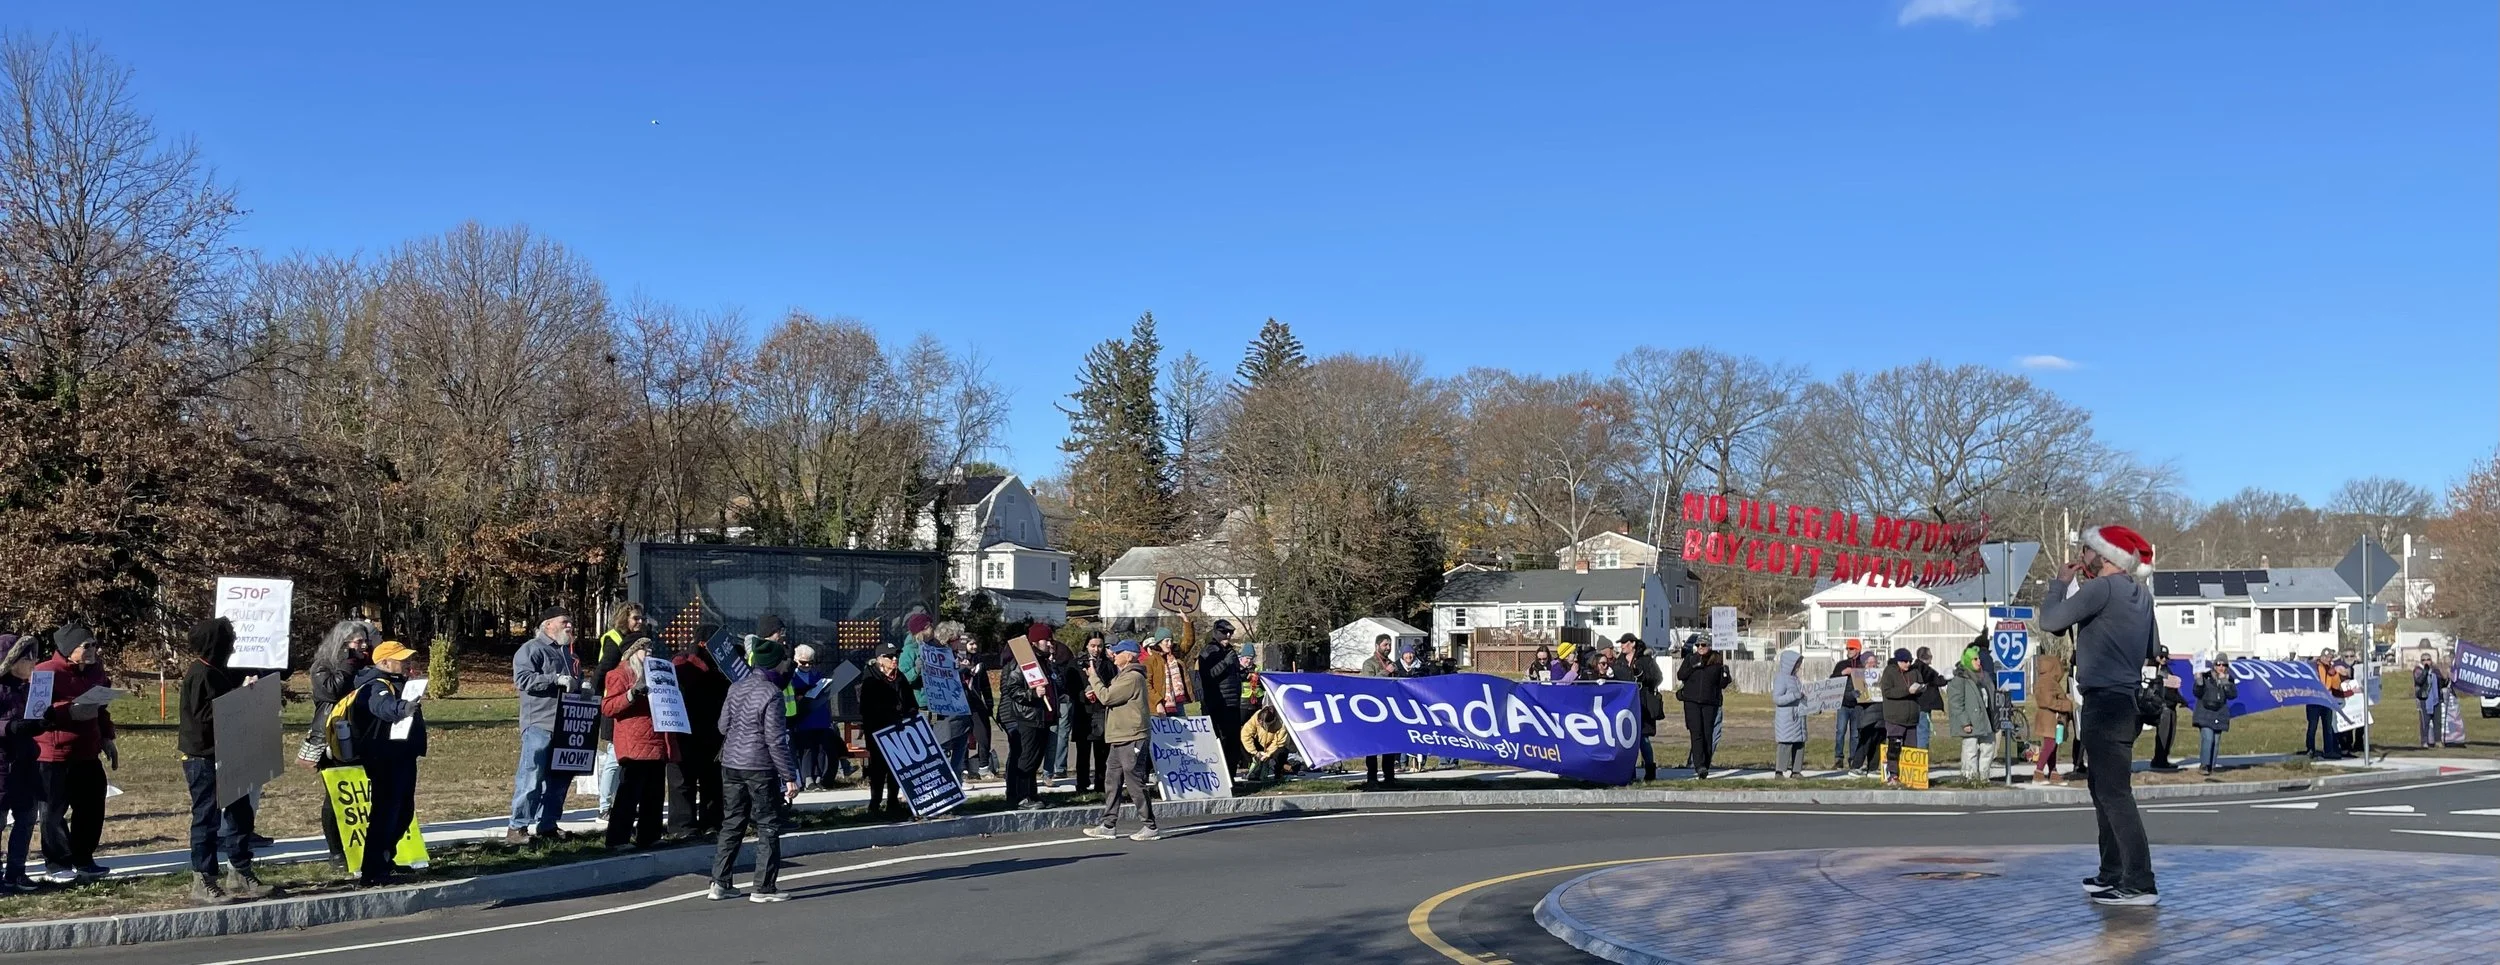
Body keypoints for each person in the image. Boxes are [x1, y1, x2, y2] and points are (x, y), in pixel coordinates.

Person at [2040, 523, 2162, 906]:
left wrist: (2059, 585)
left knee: (2114, 794)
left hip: (2103, 701)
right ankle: (2112, 872)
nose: (2082, 556)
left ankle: (2139, 882)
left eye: (2087, 550)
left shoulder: (2101, 589)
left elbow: (2050, 622)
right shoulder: (2142, 595)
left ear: (2104, 556)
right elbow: (2152, 647)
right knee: (2103, 788)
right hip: (2127, 700)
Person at [177, 618, 271, 904]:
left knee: (241, 814)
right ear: (214, 644)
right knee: (207, 818)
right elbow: (205, 717)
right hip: (204, 756)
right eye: (228, 641)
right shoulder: (200, 674)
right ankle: (204, 878)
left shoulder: (219, 671)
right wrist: (241, 696)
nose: (232, 646)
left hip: (231, 752)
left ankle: (240, 870)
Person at [711, 636, 797, 903]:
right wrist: (789, 776)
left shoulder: (735, 687)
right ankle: (763, 887)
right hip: (759, 765)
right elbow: (775, 740)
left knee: (732, 821)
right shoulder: (772, 694)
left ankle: (720, 882)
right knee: (768, 824)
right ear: (775, 664)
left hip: (731, 762)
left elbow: (722, 727)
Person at [36, 622, 115, 882]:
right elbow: (37, 712)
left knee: (92, 807)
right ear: (69, 649)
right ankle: (57, 863)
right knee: (53, 812)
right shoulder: (45, 672)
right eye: (86, 646)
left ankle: (84, 859)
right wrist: (68, 711)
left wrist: (107, 737)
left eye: (94, 645)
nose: (93, 650)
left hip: (87, 752)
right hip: (54, 754)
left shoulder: (96, 671)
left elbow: (101, 708)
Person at [348, 641, 427, 887]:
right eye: (401, 659)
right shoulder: (375, 685)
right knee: (386, 813)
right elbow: (383, 708)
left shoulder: (395, 682)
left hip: (401, 755)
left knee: (403, 811)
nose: (406, 663)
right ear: (384, 662)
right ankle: (373, 869)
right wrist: (404, 707)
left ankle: (385, 859)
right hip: (385, 757)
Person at [509, 608, 585, 845]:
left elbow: (576, 682)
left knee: (559, 780)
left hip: (566, 726)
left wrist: (583, 687)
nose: (570, 626)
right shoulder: (531, 649)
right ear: (548, 625)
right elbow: (523, 680)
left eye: (571, 622)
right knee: (531, 776)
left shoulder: (571, 656)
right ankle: (517, 827)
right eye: (564, 622)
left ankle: (548, 825)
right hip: (539, 724)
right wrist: (555, 679)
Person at [307, 619, 375, 870]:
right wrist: (348, 662)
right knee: (335, 794)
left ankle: (366, 845)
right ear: (343, 644)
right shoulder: (323, 666)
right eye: (358, 642)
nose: (364, 646)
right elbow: (332, 691)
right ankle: (336, 851)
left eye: (365, 641)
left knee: (365, 792)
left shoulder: (365, 665)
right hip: (333, 737)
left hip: (363, 736)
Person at [601, 637, 679, 851]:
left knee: (654, 793)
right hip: (634, 742)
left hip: (657, 739)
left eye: (651, 647)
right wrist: (631, 694)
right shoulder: (619, 674)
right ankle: (618, 839)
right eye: (644, 648)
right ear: (632, 652)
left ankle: (649, 835)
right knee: (629, 793)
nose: (649, 651)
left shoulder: (656, 674)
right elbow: (608, 707)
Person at [1083, 640, 1158, 841]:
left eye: (1118, 652)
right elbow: (1109, 696)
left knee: (1134, 781)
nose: (1114, 655)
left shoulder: (1132, 677)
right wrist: (1096, 690)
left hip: (1132, 736)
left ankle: (1149, 826)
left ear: (1130, 656)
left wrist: (1093, 678)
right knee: (1112, 780)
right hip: (1119, 736)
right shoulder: (1122, 676)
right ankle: (1108, 824)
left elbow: (1108, 697)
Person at [668, 629, 731, 840]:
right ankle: (682, 826)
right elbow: (683, 681)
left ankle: (711, 822)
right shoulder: (682, 662)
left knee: (712, 780)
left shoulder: (724, 668)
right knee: (682, 780)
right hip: (684, 730)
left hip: (713, 730)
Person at [594, 602, 648, 821]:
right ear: (624, 619)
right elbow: (602, 672)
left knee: (623, 759)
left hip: (633, 706)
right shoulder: (613, 639)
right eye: (635, 618)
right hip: (616, 706)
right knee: (614, 757)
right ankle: (605, 806)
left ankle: (622, 803)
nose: (640, 622)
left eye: (642, 618)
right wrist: (596, 698)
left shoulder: (640, 640)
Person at [995, 632, 1054, 811]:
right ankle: (1021, 796)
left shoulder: (1044, 662)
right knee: (1024, 757)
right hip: (1025, 716)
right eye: (1046, 640)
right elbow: (1012, 688)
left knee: (1034, 758)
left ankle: (1031, 793)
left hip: (1040, 716)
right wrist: (1032, 694)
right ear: (1034, 642)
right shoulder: (1022, 662)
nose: (1049, 643)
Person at [857, 644, 918, 817]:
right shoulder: (870, 679)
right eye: (890, 656)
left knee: (896, 767)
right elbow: (866, 708)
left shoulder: (900, 677)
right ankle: (875, 803)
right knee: (878, 768)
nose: (894, 659)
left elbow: (911, 702)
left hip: (900, 730)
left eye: (896, 656)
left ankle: (893, 802)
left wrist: (911, 713)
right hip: (878, 730)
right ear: (880, 660)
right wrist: (890, 715)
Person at [1676, 635, 1732, 779]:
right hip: (1691, 701)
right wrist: (1693, 666)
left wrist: (1726, 676)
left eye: (1703, 645)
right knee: (1696, 733)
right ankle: (1699, 765)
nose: (1700, 648)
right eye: (1698, 645)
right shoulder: (1690, 659)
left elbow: (1721, 684)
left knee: (1707, 734)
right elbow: (1681, 675)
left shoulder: (1716, 660)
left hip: (1709, 702)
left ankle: (1706, 764)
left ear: (1710, 646)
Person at [1198, 620, 1248, 774]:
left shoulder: (1230, 651)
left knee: (1233, 741)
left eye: (1230, 633)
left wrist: (1243, 673)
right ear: (1216, 633)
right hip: (1218, 702)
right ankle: (1219, 775)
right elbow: (1208, 675)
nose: (1228, 636)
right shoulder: (1208, 651)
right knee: (1220, 740)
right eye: (1224, 632)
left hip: (1233, 702)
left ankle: (1231, 775)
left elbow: (1232, 675)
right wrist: (1225, 663)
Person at [1946, 640, 1996, 782]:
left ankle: (1984, 778)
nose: (1978, 662)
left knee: (1988, 747)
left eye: (1978, 658)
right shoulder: (1960, 678)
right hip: (1970, 721)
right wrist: (1964, 722)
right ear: (1968, 660)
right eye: (1975, 659)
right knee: (1971, 749)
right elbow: (1956, 703)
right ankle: (1970, 779)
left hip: (1986, 718)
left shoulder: (1984, 677)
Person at [1062, 635, 1106, 793]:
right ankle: (1082, 783)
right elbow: (1069, 686)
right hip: (1083, 712)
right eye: (1093, 646)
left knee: (1102, 751)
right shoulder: (1075, 664)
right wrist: (1082, 695)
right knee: (1083, 751)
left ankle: (1101, 783)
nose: (1096, 649)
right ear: (1086, 645)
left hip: (1101, 710)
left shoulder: (1107, 664)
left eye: (1099, 646)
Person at [1876, 649, 1925, 786]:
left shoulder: (1915, 672)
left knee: (1911, 749)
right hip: (1895, 717)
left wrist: (1921, 689)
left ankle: (1910, 777)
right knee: (1894, 747)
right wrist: (1907, 691)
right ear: (1898, 661)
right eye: (1905, 661)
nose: (1908, 664)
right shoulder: (1889, 672)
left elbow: (1920, 685)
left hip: (1912, 718)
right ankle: (1893, 775)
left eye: (1909, 661)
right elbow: (1887, 692)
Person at [2032, 642, 2077, 786]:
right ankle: (2038, 772)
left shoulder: (2044, 680)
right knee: (2050, 745)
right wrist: (2066, 705)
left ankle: (2053, 772)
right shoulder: (2048, 682)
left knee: (2053, 745)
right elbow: (2048, 701)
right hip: (2050, 717)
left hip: (2050, 717)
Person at [1359, 635, 1402, 787]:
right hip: (1373, 710)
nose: (1388, 648)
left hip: (1390, 709)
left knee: (1390, 746)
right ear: (1377, 646)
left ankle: (1389, 777)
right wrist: (1386, 672)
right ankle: (1372, 778)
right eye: (1385, 645)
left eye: (1389, 645)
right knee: (1372, 747)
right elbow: (1368, 684)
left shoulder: (1392, 664)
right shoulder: (1369, 664)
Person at [2192, 652, 2239, 779]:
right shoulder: (2206, 677)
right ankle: (2204, 765)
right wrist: (2198, 681)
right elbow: (2197, 692)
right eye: (2218, 664)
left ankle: (2211, 767)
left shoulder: (2229, 679)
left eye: (2224, 665)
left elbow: (2232, 695)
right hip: (2205, 713)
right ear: (2214, 665)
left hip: (2219, 714)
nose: (2221, 667)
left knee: (2216, 741)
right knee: (2208, 738)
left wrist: (2225, 682)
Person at [1626, 637, 1665, 781]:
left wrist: (1643, 676)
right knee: (1628, 739)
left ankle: (1650, 770)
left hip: (1644, 704)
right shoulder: (1620, 661)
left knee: (1643, 738)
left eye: (1625, 643)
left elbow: (1657, 678)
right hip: (1627, 705)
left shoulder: (1646, 660)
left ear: (1632, 645)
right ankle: (1630, 772)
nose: (1622, 646)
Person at [2146, 647, 2187, 771]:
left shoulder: (2167, 670)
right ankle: (2159, 760)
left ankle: (2163, 759)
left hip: (2171, 706)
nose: (2164, 659)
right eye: (2161, 656)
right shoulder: (2151, 670)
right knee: (2163, 735)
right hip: (2161, 707)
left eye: (2165, 657)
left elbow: (2172, 689)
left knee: (2170, 734)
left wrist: (2181, 700)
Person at [1770, 648, 1808, 779]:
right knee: (1785, 744)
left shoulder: (1795, 679)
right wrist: (1794, 696)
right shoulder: (1781, 678)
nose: (1798, 666)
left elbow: (1800, 696)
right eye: (1797, 663)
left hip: (1798, 717)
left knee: (1799, 744)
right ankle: (1779, 771)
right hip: (1786, 718)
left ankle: (1796, 771)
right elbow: (1777, 699)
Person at [2305, 647, 2343, 760]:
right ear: (2321, 657)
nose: (2327, 659)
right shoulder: (2314, 667)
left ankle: (2329, 750)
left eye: (2329, 657)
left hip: (2326, 701)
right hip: (2314, 701)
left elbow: (2336, 686)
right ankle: (2310, 749)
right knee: (2312, 726)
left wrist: (2334, 674)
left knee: (2328, 727)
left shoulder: (2332, 669)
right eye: (2325, 657)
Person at [1830, 647, 1863, 770]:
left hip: (1857, 705)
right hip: (1843, 703)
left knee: (1855, 734)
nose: (1849, 650)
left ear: (1858, 650)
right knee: (1840, 732)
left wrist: (1854, 672)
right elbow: (1832, 680)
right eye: (1848, 648)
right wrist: (1842, 673)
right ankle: (1838, 759)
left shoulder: (1862, 664)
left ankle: (1853, 759)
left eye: (1852, 648)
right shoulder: (1841, 664)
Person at [1241, 705, 1292, 783]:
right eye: (1259, 722)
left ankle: (1278, 772)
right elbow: (1246, 734)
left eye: (1262, 724)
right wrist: (1255, 752)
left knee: (1282, 752)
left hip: (1275, 746)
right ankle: (1254, 768)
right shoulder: (1257, 716)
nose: (1260, 724)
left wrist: (1267, 754)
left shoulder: (1281, 723)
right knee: (1243, 743)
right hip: (1260, 742)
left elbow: (1279, 742)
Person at [1146, 632, 1192, 718]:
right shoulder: (1150, 661)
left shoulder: (1175, 659)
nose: (1170, 644)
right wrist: (1157, 702)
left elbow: (1188, 642)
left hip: (1178, 704)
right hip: (1159, 706)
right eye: (1166, 641)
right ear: (1159, 642)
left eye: (1171, 641)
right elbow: (1146, 685)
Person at [1912, 647, 1946, 750]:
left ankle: (1917, 754)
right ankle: (1922, 755)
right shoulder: (1925, 670)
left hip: (1913, 705)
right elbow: (1938, 681)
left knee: (1915, 732)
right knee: (1923, 732)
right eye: (1930, 655)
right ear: (1926, 657)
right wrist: (1947, 677)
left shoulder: (1913, 668)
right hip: (1923, 706)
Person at [2414, 655, 2450, 750]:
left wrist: (2446, 677)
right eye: (2424, 660)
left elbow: (2442, 684)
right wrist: (2426, 670)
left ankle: (2438, 741)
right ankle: (2424, 741)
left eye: (2428, 659)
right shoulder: (2418, 670)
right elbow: (2419, 681)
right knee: (2425, 722)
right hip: (2424, 699)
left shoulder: (2435, 671)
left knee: (2437, 721)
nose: (2426, 661)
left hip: (2436, 699)